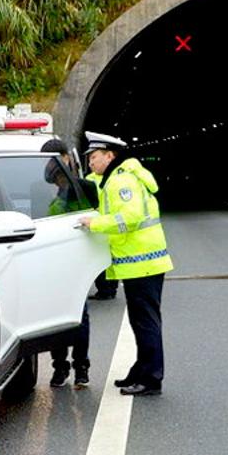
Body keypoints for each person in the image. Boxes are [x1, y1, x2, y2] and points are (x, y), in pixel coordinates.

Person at [78, 132, 173, 396]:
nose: (91, 164)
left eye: (94, 158)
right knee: (140, 320)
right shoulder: (116, 178)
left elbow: (129, 217)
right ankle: (141, 370)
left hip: (142, 263)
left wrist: (95, 223)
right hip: (140, 263)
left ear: (109, 155)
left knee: (145, 322)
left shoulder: (122, 181)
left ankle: (152, 378)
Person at [40, 139, 97, 389]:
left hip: (76, 262)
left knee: (79, 316)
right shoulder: (42, 189)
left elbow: (94, 219)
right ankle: (60, 366)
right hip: (51, 262)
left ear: (66, 158)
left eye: (56, 159)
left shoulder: (84, 188)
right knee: (55, 318)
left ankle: (81, 367)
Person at [86, 170, 119, 301]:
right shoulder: (90, 178)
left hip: (104, 222)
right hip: (101, 222)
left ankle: (108, 289)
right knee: (107, 256)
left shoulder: (113, 177)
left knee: (103, 256)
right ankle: (108, 289)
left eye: (94, 158)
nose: (91, 163)